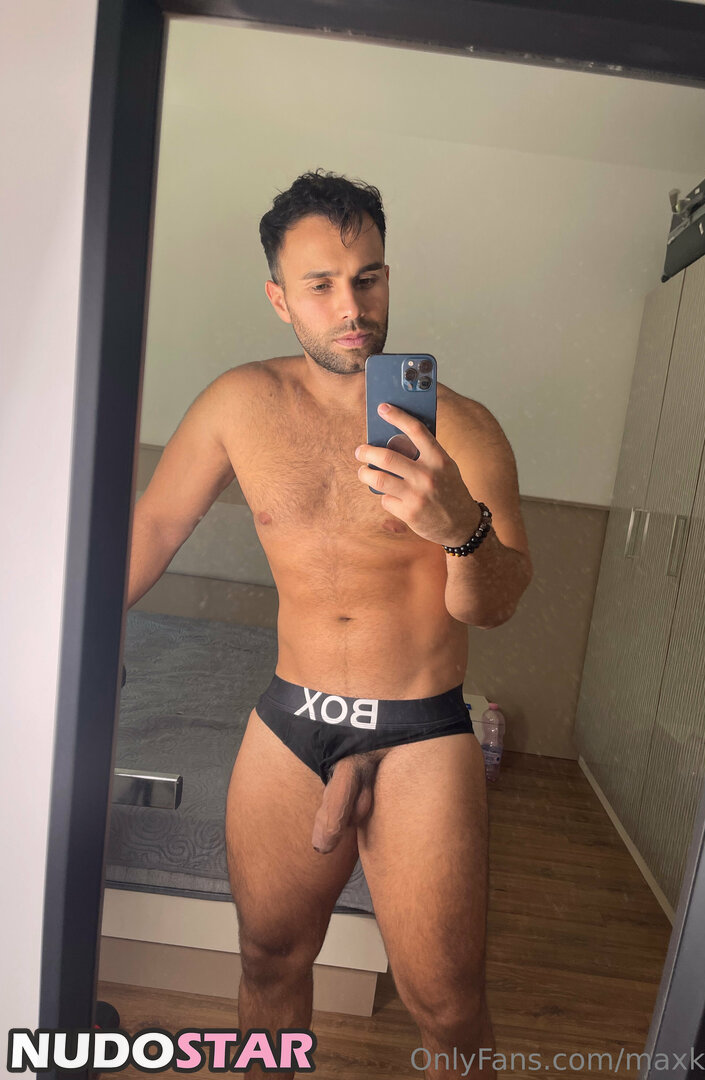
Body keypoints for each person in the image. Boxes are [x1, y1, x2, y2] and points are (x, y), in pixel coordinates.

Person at [127, 170, 532, 1079]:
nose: (352, 307)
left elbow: (497, 601)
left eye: (369, 278)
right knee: (268, 962)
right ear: (280, 298)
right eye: (321, 285)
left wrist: (458, 528)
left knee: (448, 1008)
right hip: (291, 720)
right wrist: (49, 631)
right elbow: (152, 528)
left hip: (421, 730)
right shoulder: (238, 404)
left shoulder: (463, 429)